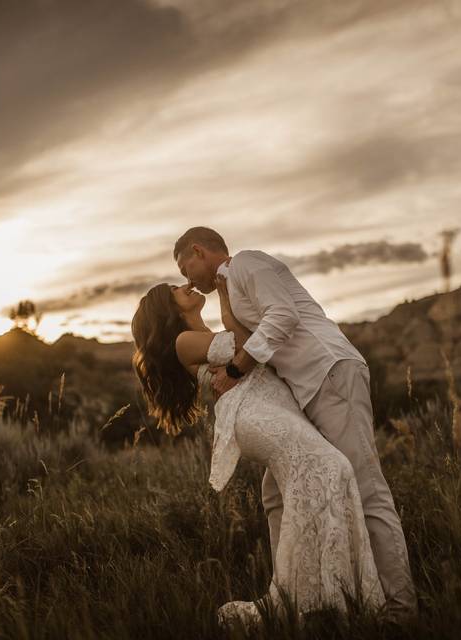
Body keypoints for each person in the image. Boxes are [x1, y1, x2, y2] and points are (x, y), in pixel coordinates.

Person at [173, 227, 418, 622]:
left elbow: (282, 316)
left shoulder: (248, 263)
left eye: (186, 267)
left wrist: (236, 369)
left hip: (330, 373)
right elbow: (242, 332)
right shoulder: (231, 285)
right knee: (275, 492)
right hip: (310, 389)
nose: (188, 279)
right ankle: (296, 594)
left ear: (198, 251)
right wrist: (221, 295)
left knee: (367, 488)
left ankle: (399, 610)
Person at [131, 275, 385, 628]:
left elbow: (247, 344)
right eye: (174, 289)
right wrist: (223, 294)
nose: (184, 285)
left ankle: (320, 595)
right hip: (251, 414)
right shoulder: (184, 341)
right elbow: (247, 340)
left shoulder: (200, 334)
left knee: (316, 479)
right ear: (167, 308)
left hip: (272, 408)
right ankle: (317, 598)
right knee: (331, 466)